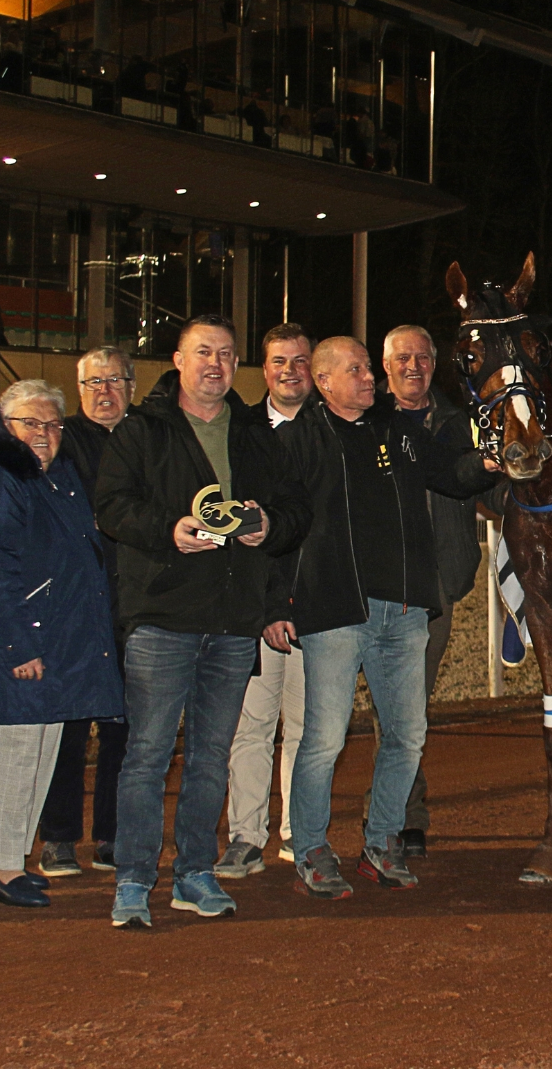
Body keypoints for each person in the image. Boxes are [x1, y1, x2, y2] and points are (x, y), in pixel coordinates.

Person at [97, 315, 309, 929]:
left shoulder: (254, 433)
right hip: (162, 615)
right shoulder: (143, 429)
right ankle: (134, 880)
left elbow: (297, 505)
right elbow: (111, 506)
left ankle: (194, 873)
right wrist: (168, 531)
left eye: (225, 354)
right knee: (147, 756)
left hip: (233, 619)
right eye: (203, 353)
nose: (215, 363)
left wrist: (271, 526)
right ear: (179, 359)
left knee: (212, 755)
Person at [270, 336, 497, 900]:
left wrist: (493, 461)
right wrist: (275, 604)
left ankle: (383, 841)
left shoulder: (398, 431)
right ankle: (313, 849)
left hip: (405, 609)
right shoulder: (297, 441)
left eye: (370, 368)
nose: (371, 378)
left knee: (407, 735)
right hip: (336, 611)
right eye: (357, 370)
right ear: (323, 381)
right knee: (323, 739)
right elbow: (280, 529)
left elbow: (454, 473)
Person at [0, 382, 124, 907]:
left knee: (38, 756)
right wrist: (18, 648)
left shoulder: (53, 476)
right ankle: (3, 866)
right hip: (14, 649)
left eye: (53, 425)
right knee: (13, 758)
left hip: (53, 641)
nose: (43, 434)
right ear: (6, 425)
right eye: (30, 425)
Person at [362, 324, 502, 858]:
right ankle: (386, 815)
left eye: (423, 356)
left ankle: (402, 814)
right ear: (385, 365)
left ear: (435, 362)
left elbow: (493, 494)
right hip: (368, 585)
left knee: (404, 707)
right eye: (403, 358)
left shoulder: (463, 425)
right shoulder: (365, 420)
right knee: (379, 710)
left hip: (433, 591)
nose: (414, 366)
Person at [216, 323, 313, 878]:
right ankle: (245, 837)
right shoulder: (240, 429)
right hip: (251, 607)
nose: (289, 371)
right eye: (279, 361)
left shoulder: (330, 431)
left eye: (300, 361)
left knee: (304, 729)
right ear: (264, 367)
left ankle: (298, 833)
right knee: (250, 727)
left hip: (311, 608)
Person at [34, 348, 135, 878]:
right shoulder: (62, 439)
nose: (104, 391)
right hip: (72, 609)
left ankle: (113, 836)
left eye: (114, 380)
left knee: (124, 729)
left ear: (131, 387)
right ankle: (58, 838)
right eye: (93, 382)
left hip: (132, 605)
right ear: (79, 389)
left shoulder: (146, 437)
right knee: (68, 729)